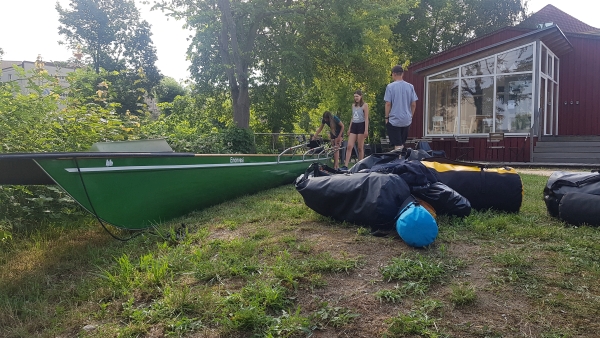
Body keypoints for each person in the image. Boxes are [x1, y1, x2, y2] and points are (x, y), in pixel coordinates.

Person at [384, 65, 418, 152]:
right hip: (406, 119)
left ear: (394, 74)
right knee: (402, 143)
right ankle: (402, 161)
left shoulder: (390, 87)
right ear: (402, 74)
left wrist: (386, 118)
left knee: (397, 144)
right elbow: (413, 104)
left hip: (395, 119)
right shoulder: (410, 86)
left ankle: (398, 162)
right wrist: (411, 116)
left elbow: (388, 104)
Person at [343, 89, 369, 169]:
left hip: (361, 125)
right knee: (349, 146)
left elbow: (366, 118)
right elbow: (353, 117)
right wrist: (349, 128)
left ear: (361, 96)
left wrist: (366, 130)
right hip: (354, 125)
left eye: (357, 96)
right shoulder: (353, 105)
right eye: (354, 96)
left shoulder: (365, 105)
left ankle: (360, 165)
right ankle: (345, 165)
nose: (356, 98)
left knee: (360, 147)